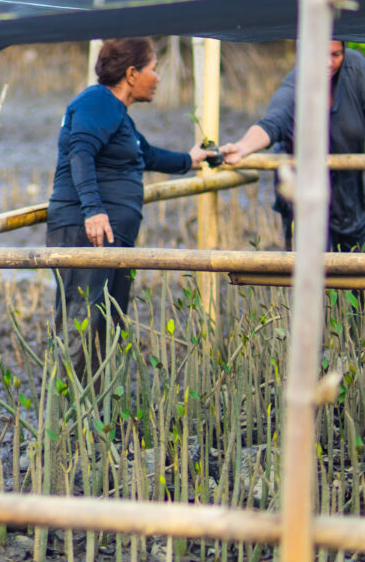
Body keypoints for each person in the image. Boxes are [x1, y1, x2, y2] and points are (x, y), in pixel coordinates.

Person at [46, 37, 215, 374]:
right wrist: (93, 210)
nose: (159, 77)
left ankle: (97, 418)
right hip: (87, 232)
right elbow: (81, 152)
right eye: (155, 69)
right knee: (83, 322)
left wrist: (190, 160)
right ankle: (71, 418)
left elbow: (145, 154)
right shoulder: (97, 101)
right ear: (133, 73)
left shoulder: (118, 114)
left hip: (109, 235)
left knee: (108, 323)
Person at [219, 41, 365, 251]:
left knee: (354, 255)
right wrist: (242, 147)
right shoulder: (294, 87)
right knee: (311, 258)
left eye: (335, 54)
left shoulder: (356, 71)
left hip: (348, 182)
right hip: (302, 185)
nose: (327, 62)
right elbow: (271, 124)